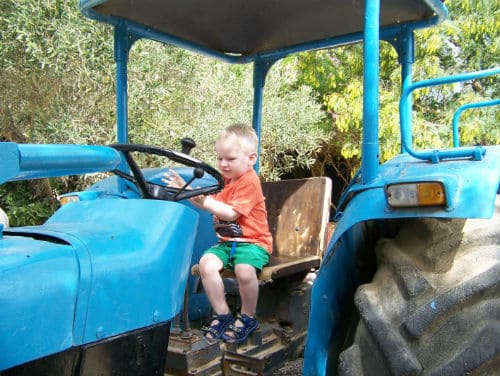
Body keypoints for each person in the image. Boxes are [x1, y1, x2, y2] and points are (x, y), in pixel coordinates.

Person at [162, 123, 272, 343]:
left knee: (244, 271)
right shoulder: (227, 184)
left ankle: (248, 317)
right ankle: (222, 314)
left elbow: (230, 213)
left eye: (230, 159)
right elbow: (206, 204)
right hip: (226, 245)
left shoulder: (250, 181)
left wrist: (205, 199)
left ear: (251, 159)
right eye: (220, 158)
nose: (223, 164)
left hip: (253, 243)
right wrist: (187, 188)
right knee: (206, 264)